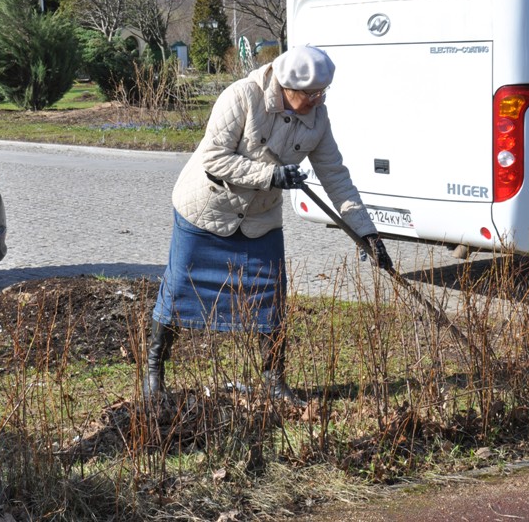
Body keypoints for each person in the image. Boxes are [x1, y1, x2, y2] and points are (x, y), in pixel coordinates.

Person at [145, 45, 392, 406]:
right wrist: (271, 175)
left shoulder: (318, 118)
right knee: (178, 292)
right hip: (207, 210)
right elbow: (214, 158)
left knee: (271, 299)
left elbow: (336, 177)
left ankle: (275, 382)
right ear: (286, 86)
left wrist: (366, 233)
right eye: (310, 94)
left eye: (322, 92)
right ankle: (154, 372)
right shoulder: (243, 96)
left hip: (260, 220)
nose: (317, 100)